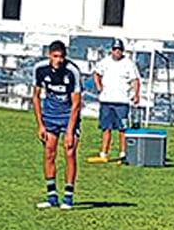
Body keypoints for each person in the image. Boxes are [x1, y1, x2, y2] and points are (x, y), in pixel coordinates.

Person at [32, 40, 82, 210]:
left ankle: (68, 197)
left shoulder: (72, 71)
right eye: (55, 56)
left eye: (61, 57)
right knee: (49, 153)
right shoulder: (40, 69)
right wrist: (40, 125)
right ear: (49, 56)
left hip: (68, 117)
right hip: (50, 117)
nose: (58, 60)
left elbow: (76, 104)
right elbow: (36, 97)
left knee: (69, 152)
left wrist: (70, 130)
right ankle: (51, 195)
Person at [92, 37, 141, 163]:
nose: (117, 52)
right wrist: (99, 86)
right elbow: (96, 73)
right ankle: (104, 153)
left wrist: (136, 94)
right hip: (106, 100)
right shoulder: (105, 62)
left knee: (122, 129)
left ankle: (123, 153)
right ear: (111, 50)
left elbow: (135, 80)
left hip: (122, 102)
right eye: (115, 49)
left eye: (119, 49)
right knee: (106, 128)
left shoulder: (128, 63)